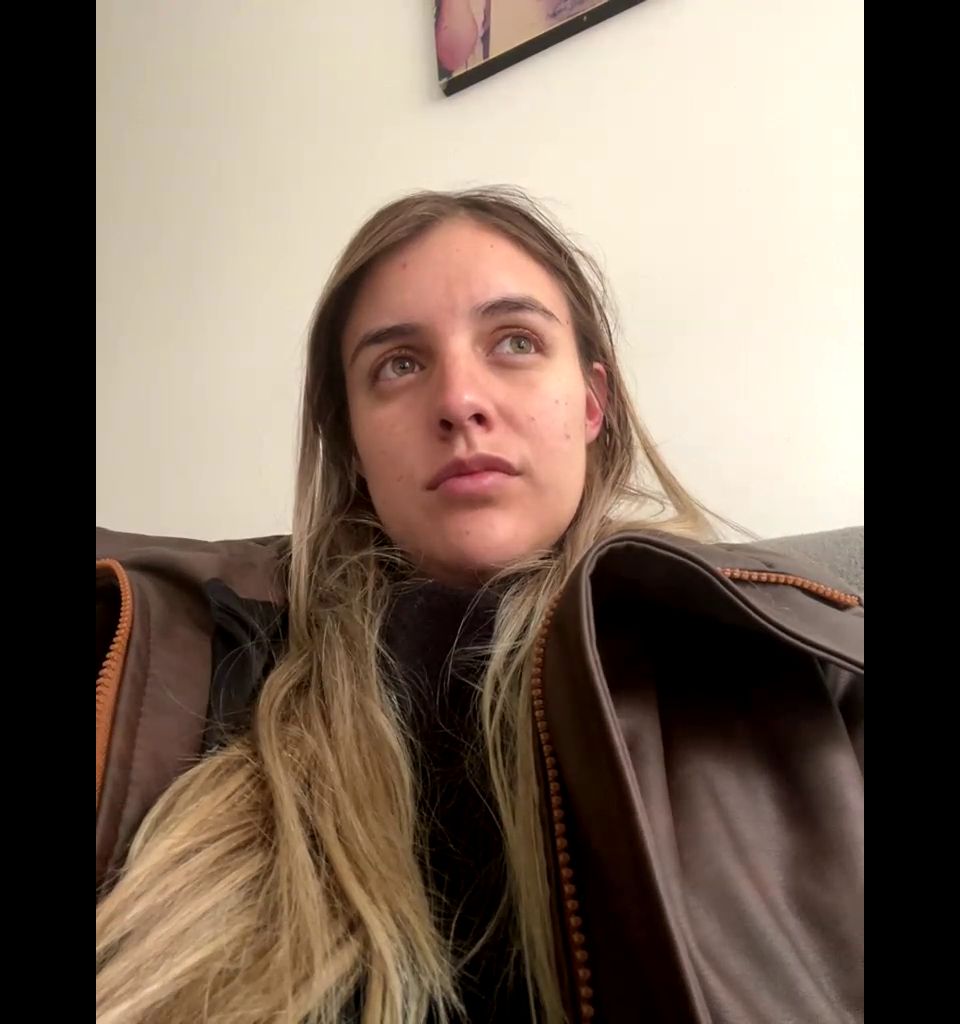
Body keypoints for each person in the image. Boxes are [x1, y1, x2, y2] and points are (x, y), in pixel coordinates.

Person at [95, 187, 863, 1024]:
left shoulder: (783, 647)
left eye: (516, 342)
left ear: (592, 403)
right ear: (352, 442)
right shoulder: (192, 647)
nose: (460, 400)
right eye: (399, 364)